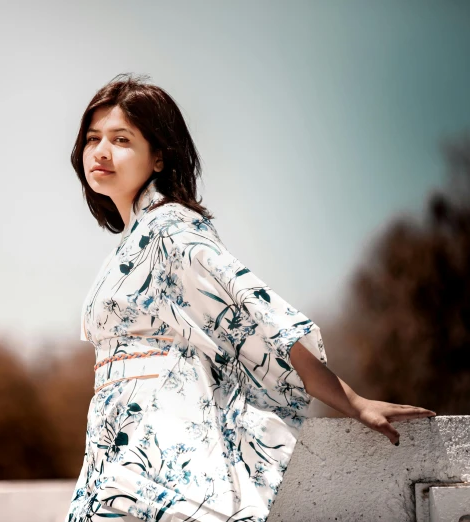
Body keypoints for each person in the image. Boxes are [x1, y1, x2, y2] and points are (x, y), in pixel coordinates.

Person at [64, 74, 436, 522]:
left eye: (120, 139)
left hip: (157, 448)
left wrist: (352, 401)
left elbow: (255, 312)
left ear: (159, 156)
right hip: (115, 442)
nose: (101, 151)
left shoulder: (170, 228)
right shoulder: (135, 238)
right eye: (92, 138)